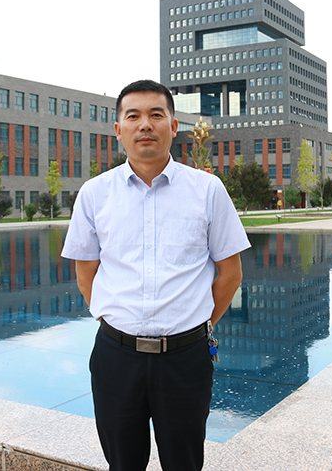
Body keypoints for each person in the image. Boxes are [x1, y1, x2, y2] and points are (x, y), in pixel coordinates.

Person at [61, 79, 250, 471]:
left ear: (173, 125)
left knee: (184, 464)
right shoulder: (94, 194)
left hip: (186, 359)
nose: (144, 124)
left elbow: (230, 274)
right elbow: (86, 274)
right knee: (122, 464)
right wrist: (116, 320)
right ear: (119, 130)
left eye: (155, 115)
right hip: (116, 358)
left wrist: (198, 325)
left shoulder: (207, 190)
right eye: (133, 116)